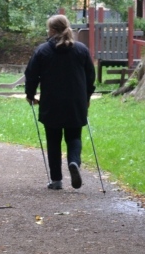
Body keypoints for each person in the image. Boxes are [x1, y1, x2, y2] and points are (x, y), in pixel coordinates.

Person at [25, 14, 95, 190]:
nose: (47, 31)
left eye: (48, 28)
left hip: (51, 102)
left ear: (53, 30)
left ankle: (56, 180)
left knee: (53, 140)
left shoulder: (43, 51)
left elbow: (31, 74)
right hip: (75, 102)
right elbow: (90, 76)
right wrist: (87, 97)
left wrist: (30, 94)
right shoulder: (81, 50)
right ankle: (73, 162)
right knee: (74, 136)